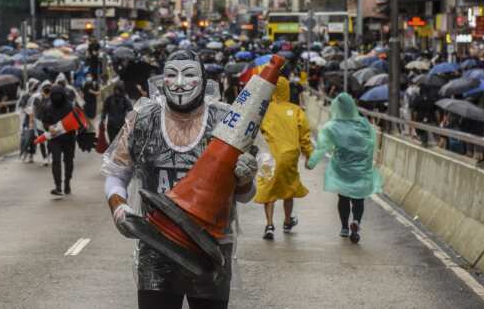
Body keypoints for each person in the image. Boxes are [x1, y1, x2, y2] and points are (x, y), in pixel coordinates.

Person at [102, 50, 258, 309]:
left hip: (211, 250)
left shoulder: (227, 122)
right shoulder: (143, 119)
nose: (180, 82)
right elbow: (116, 173)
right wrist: (118, 206)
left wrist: (245, 178)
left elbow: (244, 195)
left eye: (189, 74)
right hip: (156, 245)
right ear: (162, 78)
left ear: (204, 78)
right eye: (172, 74)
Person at [307, 93, 383, 244]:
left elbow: (322, 147)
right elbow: (372, 142)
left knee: (343, 197)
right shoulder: (363, 123)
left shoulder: (332, 126)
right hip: (361, 167)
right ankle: (356, 221)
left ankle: (344, 227)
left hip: (342, 168)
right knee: (359, 197)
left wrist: (311, 162)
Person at [254, 77, 313, 240]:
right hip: (289, 156)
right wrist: (309, 155)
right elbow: (305, 136)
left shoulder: (263, 109)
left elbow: (254, 132)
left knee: (268, 189)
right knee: (289, 188)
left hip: (269, 156)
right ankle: (287, 221)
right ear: (287, 90)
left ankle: (269, 224)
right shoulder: (296, 110)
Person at [40, 85, 77, 196]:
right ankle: (58, 186)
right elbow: (44, 121)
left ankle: (67, 182)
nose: (56, 98)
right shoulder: (48, 107)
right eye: (54, 95)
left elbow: (76, 121)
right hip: (54, 138)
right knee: (56, 161)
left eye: (58, 95)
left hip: (69, 138)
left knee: (68, 161)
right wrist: (49, 127)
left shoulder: (70, 107)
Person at [29, 80, 52, 166]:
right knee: (42, 140)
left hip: (49, 122)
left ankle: (48, 155)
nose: (47, 89)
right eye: (46, 88)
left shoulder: (53, 98)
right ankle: (45, 158)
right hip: (39, 122)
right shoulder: (37, 99)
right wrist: (33, 121)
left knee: (50, 139)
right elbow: (33, 111)